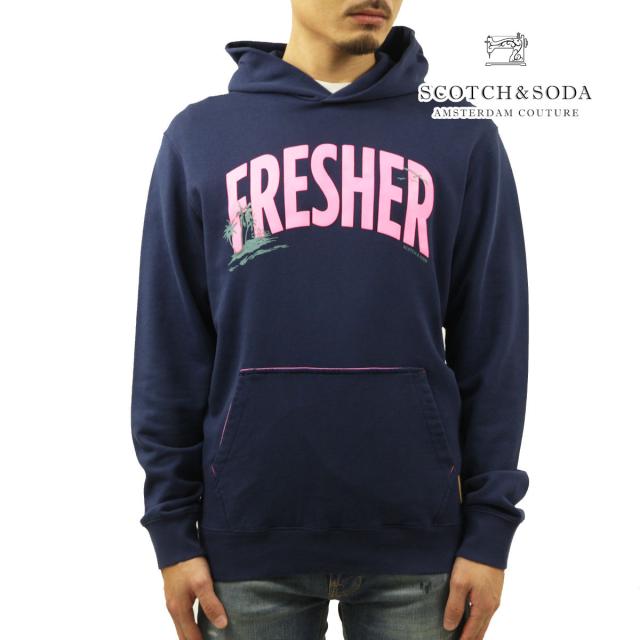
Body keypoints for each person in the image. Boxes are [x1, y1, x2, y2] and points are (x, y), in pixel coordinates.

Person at [130, 1, 530, 638]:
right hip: (246, 542)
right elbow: (170, 346)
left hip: (423, 546)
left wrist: (490, 530)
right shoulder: (201, 137)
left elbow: (494, 346)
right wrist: (172, 531)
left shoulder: (461, 136)